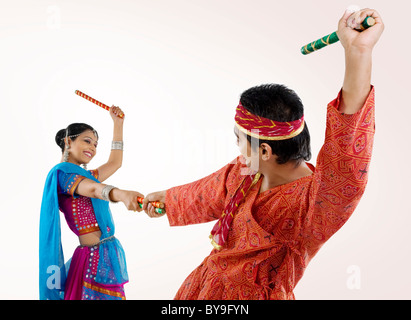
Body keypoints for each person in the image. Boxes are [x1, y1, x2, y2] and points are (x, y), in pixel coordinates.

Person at [142, 8, 384, 299]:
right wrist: (166, 199)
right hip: (203, 291)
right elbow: (207, 192)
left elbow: (345, 157)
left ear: (265, 150)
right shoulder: (247, 170)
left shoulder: (315, 204)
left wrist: (358, 52)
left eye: (239, 139)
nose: (237, 149)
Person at [39, 106, 144, 300]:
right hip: (91, 260)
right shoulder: (62, 175)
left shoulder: (88, 176)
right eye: (87, 141)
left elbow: (114, 163)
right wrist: (121, 195)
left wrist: (118, 124)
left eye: (95, 145)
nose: (93, 148)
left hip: (106, 253)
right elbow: (94, 189)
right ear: (68, 141)